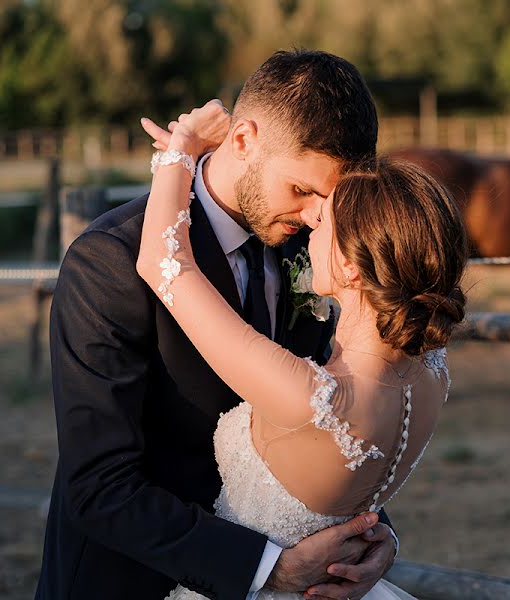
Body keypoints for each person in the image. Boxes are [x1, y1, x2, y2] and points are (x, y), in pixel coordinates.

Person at [37, 50, 406, 600]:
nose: (313, 217)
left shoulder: (316, 253)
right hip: (136, 583)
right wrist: (266, 568)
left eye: (329, 201)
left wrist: (370, 533)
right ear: (242, 141)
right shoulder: (108, 263)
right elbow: (99, 488)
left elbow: (337, 413)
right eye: (302, 190)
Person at [135, 101, 467, 599]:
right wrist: (384, 538)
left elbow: (165, 263)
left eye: (326, 218)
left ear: (353, 269)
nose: (312, 220)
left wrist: (181, 150)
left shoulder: (311, 400)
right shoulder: (432, 376)